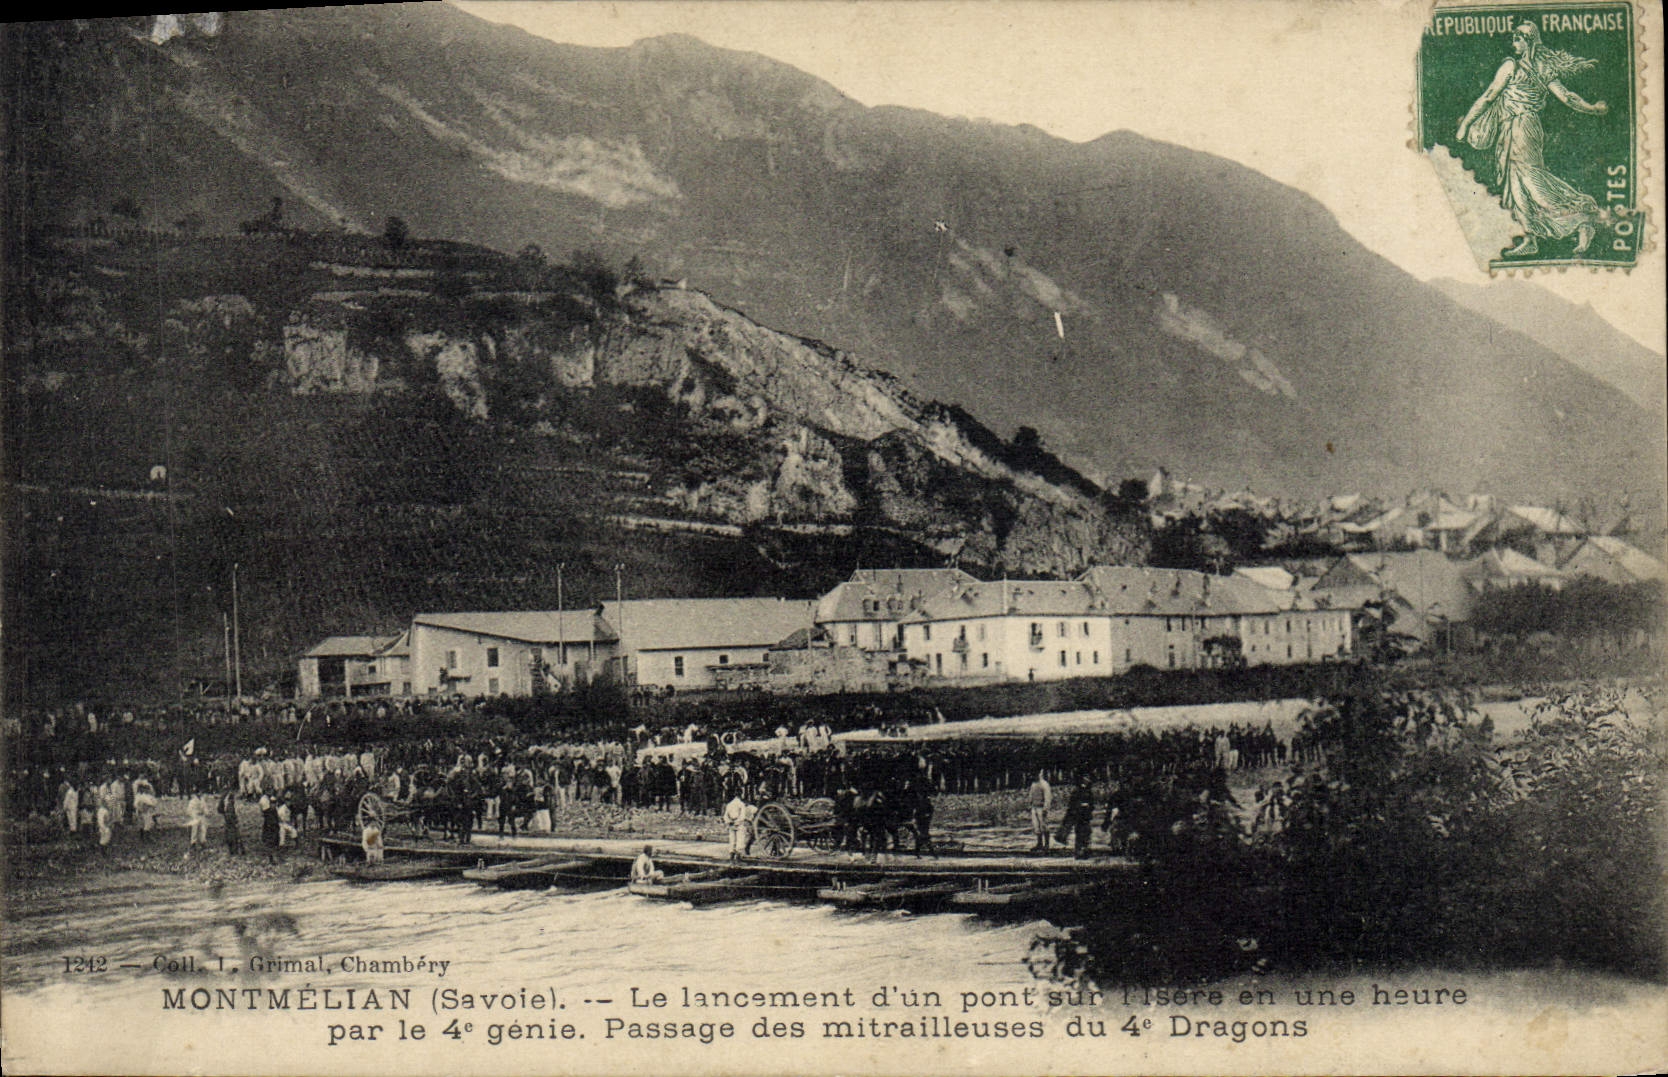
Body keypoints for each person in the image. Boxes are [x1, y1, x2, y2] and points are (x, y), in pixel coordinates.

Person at [1456, 21, 1608, 256]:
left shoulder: (1511, 66)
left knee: (1530, 181)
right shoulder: (1542, 68)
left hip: (1520, 128)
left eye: (1518, 39)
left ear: (1528, 42)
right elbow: (1567, 97)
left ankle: (1582, 219)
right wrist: (1593, 108)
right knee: (1515, 184)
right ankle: (1531, 238)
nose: (1513, 43)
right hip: (1519, 127)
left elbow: (1488, 97)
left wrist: (1466, 124)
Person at [1058, 773, 1096, 859]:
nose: (1087, 780)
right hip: (1079, 815)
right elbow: (1072, 804)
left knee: (1087, 833)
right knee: (1079, 833)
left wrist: (1088, 808)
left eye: (1088, 778)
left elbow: (1092, 804)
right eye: (1085, 778)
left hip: (1086, 816)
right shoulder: (1077, 791)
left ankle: (1085, 850)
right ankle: (1079, 852)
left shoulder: (1089, 791)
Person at [1027, 771, 1053, 853]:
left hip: (1041, 808)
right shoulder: (1033, 784)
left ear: (1040, 774)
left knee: (1044, 826)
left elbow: (1047, 797)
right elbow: (1031, 795)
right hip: (1034, 807)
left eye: (1036, 774)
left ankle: (1047, 845)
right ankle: (1039, 843)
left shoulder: (1044, 784)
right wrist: (1030, 803)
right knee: (1036, 827)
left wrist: (1046, 808)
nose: (1034, 776)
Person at [723, 793, 751, 860]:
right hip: (739, 823)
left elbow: (725, 815)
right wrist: (738, 821)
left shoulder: (729, 804)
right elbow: (743, 815)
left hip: (731, 823)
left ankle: (731, 853)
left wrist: (729, 822)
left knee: (732, 839)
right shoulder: (741, 804)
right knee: (740, 838)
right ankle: (738, 854)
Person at [219, 789, 244, 855]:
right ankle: (234, 851)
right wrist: (235, 822)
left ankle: (234, 851)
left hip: (230, 824)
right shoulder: (230, 806)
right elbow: (229, 816)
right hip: (231, 824)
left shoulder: (230, 805)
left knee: (233, 838)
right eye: (232, 799)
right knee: (233, 838)